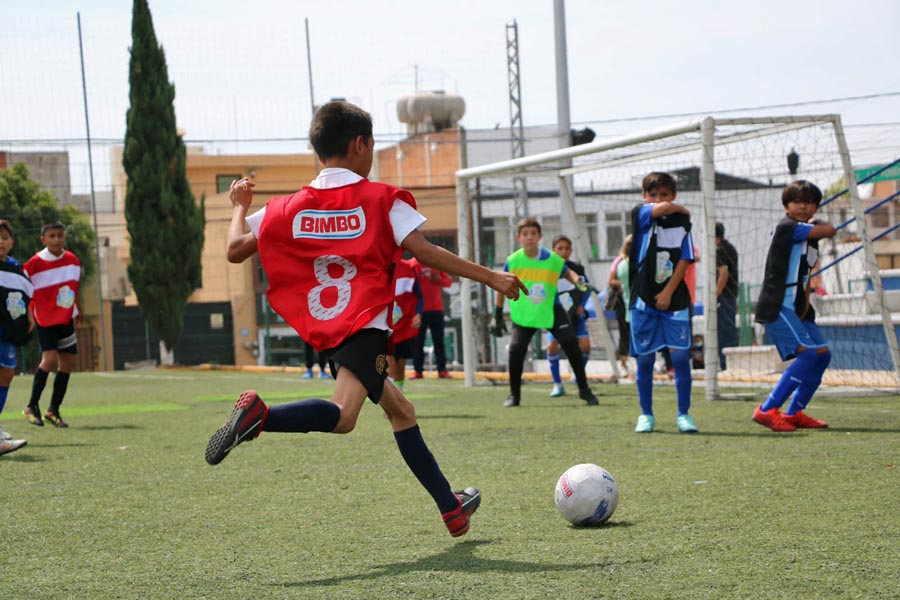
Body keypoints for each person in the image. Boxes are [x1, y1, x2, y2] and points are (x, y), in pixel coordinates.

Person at [205, 101, 527, 539]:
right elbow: (426, 252)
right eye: (373, 144)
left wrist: (241, 205)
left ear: (317, 151)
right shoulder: (381, 199)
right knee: (344, 415)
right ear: (359, 144)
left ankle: (452, 509)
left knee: (401, 410)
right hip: (365, 325)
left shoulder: (287, 207)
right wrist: (491, 276)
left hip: (329, 327)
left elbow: (235, 249)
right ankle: (261, 416)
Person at [752, 180, 835, 431]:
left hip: (798, 306)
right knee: (808, 355)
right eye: (797, 202)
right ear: (786, 206)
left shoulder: (807, 236)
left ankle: (794, 412)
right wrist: (818, 224)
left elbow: (806, 274)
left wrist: (806, 304)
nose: (804, 206)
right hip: (778, 304)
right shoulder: (789, 228)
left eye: (810, 203)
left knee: (822, 355)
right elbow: (829, 230)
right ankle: (767, 409)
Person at [490, 217, 599, 407]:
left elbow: (568, 273)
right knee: (516, 350)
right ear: (518, 237)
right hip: (525, 314)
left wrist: (578, 282)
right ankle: (514, 395)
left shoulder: (552, 259)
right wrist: (498, 313)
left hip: (551, 309)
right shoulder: (513, 261)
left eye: (533, 233)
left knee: (571, 345)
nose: (530, 237)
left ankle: (584, 390)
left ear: (540, 236)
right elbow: (501, 285)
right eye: (525, 234)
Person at [628, 172, 698, 433]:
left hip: (675, 300)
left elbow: (685, 259)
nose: (658, 200)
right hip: (643, 301)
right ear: (645, 197)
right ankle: (646, 415)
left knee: (680, 357)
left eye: (664, 195)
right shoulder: (640, 214)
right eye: (653, 195)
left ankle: (684, 414)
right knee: (645, 360)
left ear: (673, 194)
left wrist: (668, 291)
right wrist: (679, 207)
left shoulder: (681, 223)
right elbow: (664, 209)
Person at [23, 221, 82, 428]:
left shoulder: (73, 260)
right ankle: (31, 406)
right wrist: (28, 315)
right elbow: (24, 291)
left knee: (67, 362)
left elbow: (73, 288)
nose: (57, 239)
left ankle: (53, 410)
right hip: (44, 318)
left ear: (64, 237)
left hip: (65, 318)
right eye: (52, 236)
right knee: (49, 361)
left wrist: (77, 309)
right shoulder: (34, 263)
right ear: (43, 239)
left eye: (60, 235)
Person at [546, 235, 595, 397]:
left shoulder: (577, 269)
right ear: (553, 250)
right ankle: (557, 384)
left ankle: (577, 374)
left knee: (585, 346)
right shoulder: (548, 269)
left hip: (575, 315)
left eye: (567, 248)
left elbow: (585, 287)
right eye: (560, 248)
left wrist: (581, 306)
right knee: (552, 346)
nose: (564, 251)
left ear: (571, 251)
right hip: (555, 315)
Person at [0, 220, 33, 456]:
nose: (0, 242)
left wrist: (30, 316)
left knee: (7, 375)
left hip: (9, 333)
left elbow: (25, 297)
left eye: (5, 238)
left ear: (12, 242)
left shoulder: (15, 268)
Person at [410, 259, 452, 379]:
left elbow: (448, 282)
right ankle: (417, 371)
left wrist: (438, 279)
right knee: (418, 342)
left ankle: (442, 370)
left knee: (438, 341)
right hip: (419, 311)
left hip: (436, 309)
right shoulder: (412, 265)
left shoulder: (435, 263)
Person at [388, 257, 423, 391]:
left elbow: (419, 296)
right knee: (389, 363)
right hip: (384, 324)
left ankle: (399, 393)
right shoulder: (376, 266)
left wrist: (418, 314)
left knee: (401, 363)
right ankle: (393, 404)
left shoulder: (409, 268)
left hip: (404, 324)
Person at [715, 222, 739, 370]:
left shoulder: (721, 251)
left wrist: (715, 295)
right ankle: (730, 363)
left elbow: (723, 274)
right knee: (730, 329)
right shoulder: (731, 248)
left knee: (723, 331)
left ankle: (725, 364)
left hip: (724, 296)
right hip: (732, 294)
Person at [608, 235, 633, 374]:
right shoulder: (620, 261)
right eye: (629, 243)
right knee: (624, 332)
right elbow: (610, 280)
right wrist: (624, 284)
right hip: (622, 301)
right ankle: (623, 363)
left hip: (636, 300)